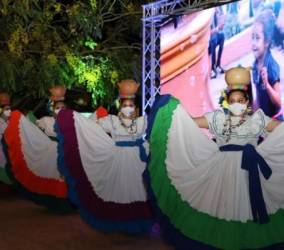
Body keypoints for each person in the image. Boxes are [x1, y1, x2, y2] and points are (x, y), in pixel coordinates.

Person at [145, 66, 284, 249]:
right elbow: (189, 123)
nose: (236, 104)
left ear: (247, 100)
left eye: (240, 100)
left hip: (249, 172)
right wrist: (173, 112)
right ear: (227, 100)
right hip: (221, 172)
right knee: (222, 211)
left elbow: (279, 128)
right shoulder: (218, 119)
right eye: (232, 100)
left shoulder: (257, 120)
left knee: (246, 212)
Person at [56, 79, 153, 234]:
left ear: (136, 106)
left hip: (137, 162)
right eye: (125, 105)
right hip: (119, 160)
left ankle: (139, 222)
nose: (128, 108)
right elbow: (91, 125)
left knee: (138, 190)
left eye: (131, 105)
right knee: (120, 190)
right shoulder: (112, 121)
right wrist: (74, 120)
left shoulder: (143, 121)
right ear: (119, 105)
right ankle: (120, 221)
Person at [252, 9, 282, 119]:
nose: (253, 43)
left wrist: (267, 85)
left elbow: (278, 102)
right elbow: (259, 99)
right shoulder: (255, 66)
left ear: (267, 42)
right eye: (252, 37)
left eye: (257, 38)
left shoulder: (272, 66)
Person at [209, 6, 226, 79]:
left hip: (214, 36)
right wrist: (217, 28)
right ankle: (213, 68)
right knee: (213, 40)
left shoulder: (215, 13)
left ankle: (218, 65)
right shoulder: (207, 16)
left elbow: (219, 29)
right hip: (208, 42)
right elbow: (209, 33)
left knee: (222, 35)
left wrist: (219, 16)